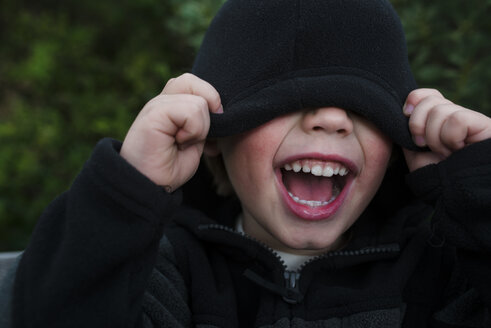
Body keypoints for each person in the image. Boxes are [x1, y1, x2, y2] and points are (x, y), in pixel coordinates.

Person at [9, 0, 491, 327]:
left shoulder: (442, 269)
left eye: (365, 105)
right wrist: (131, 189)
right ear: (216, 133)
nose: (331, 118)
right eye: (287, 99)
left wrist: (481, 190)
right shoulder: (164, 271)